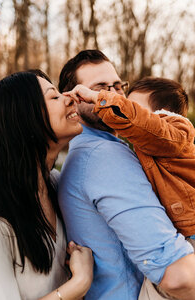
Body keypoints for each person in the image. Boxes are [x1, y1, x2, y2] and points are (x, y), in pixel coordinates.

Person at [58, 49, 195, 300]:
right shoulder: (104, 156)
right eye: (99, 88)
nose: (112, 95)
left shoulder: (88, 153)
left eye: (117, 86)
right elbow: (179, 277)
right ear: (75, 98)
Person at [0, 70, 93, 300]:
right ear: (24, 118)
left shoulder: (59, 186)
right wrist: (79, 283)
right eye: (54, 96)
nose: (70, 97)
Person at [63, 77, 195, 242]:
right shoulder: (151, 143)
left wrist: (97, 98)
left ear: (159, 113)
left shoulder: (176, 132)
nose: (126, 111)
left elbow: (143, 123)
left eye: (135, 108)